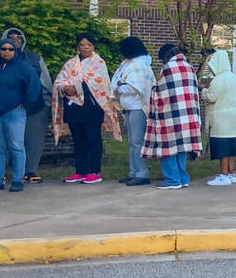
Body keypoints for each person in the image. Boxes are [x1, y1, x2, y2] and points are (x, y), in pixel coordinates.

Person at [0, 27, 53, 183]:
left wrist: (45, 103)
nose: (15, 40)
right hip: (0, 110)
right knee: (1, 142)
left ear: (23, 41)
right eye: (11, 37)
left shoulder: (33, 59)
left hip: (32, 108)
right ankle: (1, 173)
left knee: (32, 141)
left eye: (18, 38)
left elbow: (42, 83)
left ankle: (29, 171)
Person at [52, 33, 120, 185]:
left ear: (93, 46)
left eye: (89, 45)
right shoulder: (70, 64)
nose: (86, 47)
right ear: (78, 46)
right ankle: (80, 171)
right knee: (78, 139)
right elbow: (60, 79)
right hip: (74, 107)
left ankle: (94, 171)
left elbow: (99, 82)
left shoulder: (99, 63)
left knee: (93, 138)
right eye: (83, 45)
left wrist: (77, 86)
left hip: (92, 106)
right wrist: (65, 87)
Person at [143, 43, 202, 190]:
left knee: (167, 148)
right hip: (188, 115)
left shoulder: (168, 68)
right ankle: (183, 178)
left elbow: (160, 91)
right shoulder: (190, 67)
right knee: (181, 147)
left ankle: (172, 180)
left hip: (170, 115)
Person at [111, 37, 155, 186]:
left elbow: (133, 87)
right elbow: (116, 82)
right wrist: (119, 85)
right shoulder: (127, 63)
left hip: (138, 107)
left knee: (137, 142)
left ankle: (142, 173)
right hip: (128, 106)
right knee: (131, 142)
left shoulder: (140, 64)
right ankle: (133, 172)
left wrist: (120, 86)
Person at [201, 49, 236, 186]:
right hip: (234, 117)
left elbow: (211, 97)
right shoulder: (234, 78)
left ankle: (223, 174)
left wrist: (204, 91)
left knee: (222, 147)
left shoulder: (219, 79)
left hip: (221, 118)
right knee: (231, 146)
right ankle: (231, 173)